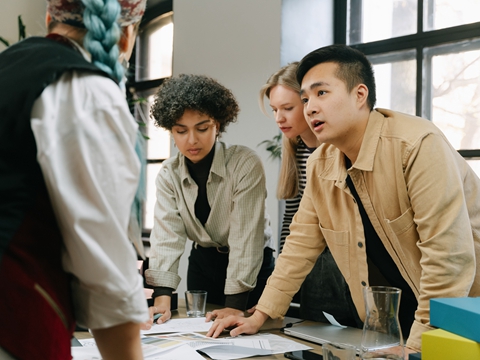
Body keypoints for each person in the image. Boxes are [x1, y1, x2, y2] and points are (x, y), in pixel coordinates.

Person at [207, 44, 480, 354]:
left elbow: (449, 261)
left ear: (359, 94)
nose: (309, 108)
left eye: (321, 93)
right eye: (306, 98)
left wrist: (418, 348)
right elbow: (300, 245)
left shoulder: (416, 144)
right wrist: (259, 315)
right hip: (395, 321)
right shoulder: (320, 163)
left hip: (461, 318)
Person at [0, 1, 149, 359]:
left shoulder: (8, 69)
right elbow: (104, 272)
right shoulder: (84, 91)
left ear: (50, 20)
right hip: (16, 321)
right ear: (127, 36)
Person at [144, 74, 275, 326]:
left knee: (244, 341)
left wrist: (235, 306)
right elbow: (167, 236)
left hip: (252, 270)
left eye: (202, 128)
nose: (192, 140)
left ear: (217, 125)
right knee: (198, 336)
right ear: (171, 131)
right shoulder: (169, 173)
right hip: (203, 265)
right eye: (181, 131)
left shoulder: (244, 164)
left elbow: (246, 237)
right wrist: (162, 299)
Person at [258, 62, 361, 327]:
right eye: (275, 110)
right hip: (310, 259)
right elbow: (294, 221)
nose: (279, 118)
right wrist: (283, 279)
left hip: (342, 257)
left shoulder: (336, 148)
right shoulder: (295, 148)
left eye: (288, 108)